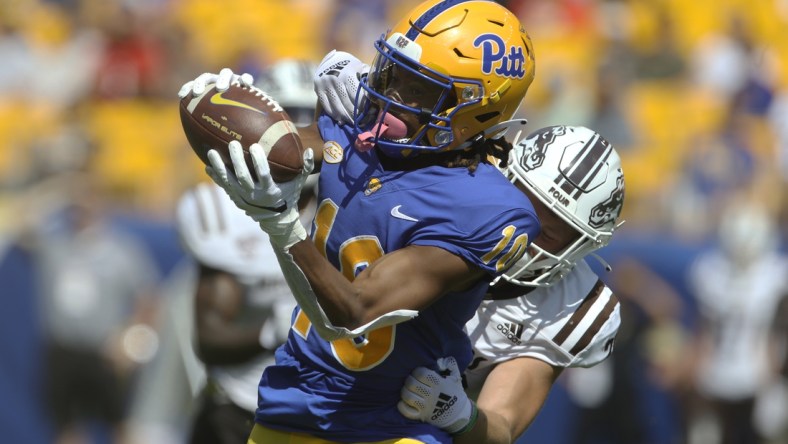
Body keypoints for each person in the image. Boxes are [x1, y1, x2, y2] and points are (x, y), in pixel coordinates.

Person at [179, 0, 538, 442]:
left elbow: (356, 313)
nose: (393, 96)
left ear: (476, 112)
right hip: (293, 404)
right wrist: (226, 112)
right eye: (394, 73)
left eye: (421, 90)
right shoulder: (361, 132)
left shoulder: (483, 207)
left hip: (391, 425)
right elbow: (285, 151)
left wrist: (281, 225)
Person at [395, 125, 626, 444]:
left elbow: (501, 426)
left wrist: (458, 413)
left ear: (580, 246)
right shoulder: (444, 190)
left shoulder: (569, 309)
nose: (524, 231)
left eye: (547, 234)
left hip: (409, 426)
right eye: (523, 207)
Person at [176, 60, 317, 444]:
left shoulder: (354, 202)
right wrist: (276, 327)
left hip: (324, 408)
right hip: (240, 407)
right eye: (291, 117)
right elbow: (211, 340)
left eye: (313, 118)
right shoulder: (223, 213)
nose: (299, 134)